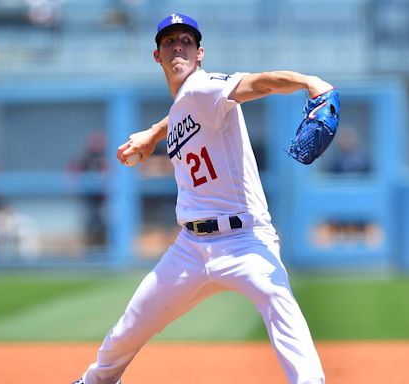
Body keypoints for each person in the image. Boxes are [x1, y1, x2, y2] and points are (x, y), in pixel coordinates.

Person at [73, 13, 333, 384]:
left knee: (279, 303)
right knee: (129, 327)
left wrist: (310, 82)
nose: (177, 47)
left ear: (200, 54)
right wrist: (152, 133)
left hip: (244, 240)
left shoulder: (206, 87)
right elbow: (179, 114)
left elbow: (261, 83)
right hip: (190, 248)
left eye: (186, 42)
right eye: (169, 42)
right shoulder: (185, 102)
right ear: (157, 56)